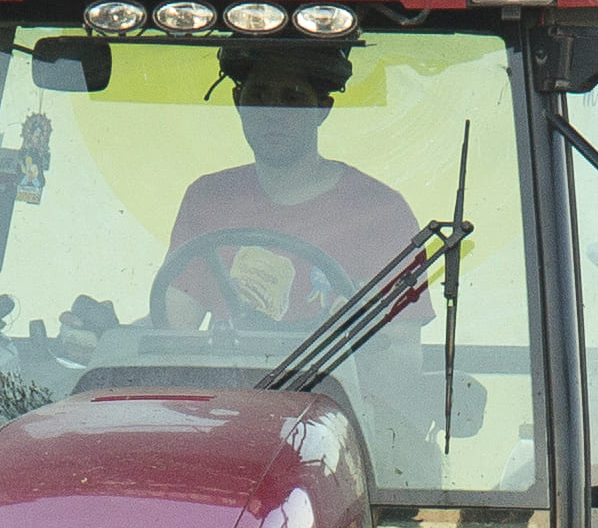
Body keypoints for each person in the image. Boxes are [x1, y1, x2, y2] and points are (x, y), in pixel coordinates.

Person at [157, 55, 425, 326]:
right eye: (259, 96)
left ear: (323, 109)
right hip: (232, 370)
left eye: (292, 97)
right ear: (238, 100)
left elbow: (397, 355)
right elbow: (171, 332)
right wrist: (114, 338)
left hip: (326, 370)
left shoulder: (381, 213)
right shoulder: (208, 199)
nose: (273, 113)